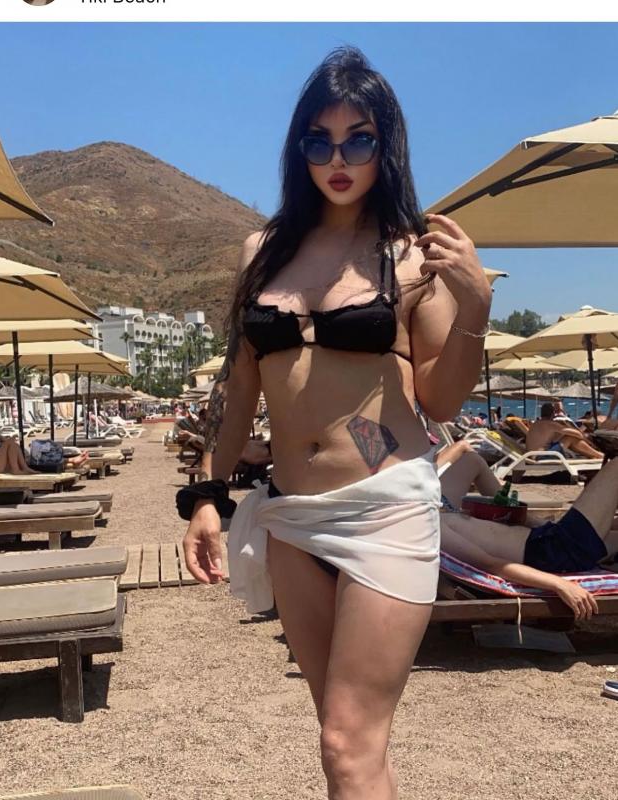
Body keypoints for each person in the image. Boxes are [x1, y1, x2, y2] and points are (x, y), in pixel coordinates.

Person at [179, 47, 491, 800]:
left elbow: (441, 401)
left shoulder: (409, 254)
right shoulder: (262, 252)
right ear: (299, 150)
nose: (339, 160)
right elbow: (239, 387)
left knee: (347, 744)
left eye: (359, 140)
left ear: (387, 144)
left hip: (386, 509)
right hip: (293, 516)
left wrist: (475, 305)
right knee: (344, 741)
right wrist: (207, 498)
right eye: (319, 142)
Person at [439, 454, 618, 620]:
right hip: (554, 552)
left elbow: (471, 459)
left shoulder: (438, 505)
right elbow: (491, 564)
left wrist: (531, 520)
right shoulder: (433, 524)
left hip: (547, 538)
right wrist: (559, 584)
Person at [526, 402, 603, 459]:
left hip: (532, 455)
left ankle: (593, 455)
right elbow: (578, 434)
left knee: (567, 438)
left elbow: (547, 440)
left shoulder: (535, 424)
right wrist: (587, 441)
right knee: (570, 438)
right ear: (553, 413)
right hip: (541, 457)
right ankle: (599, 455)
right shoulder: (551, 424)